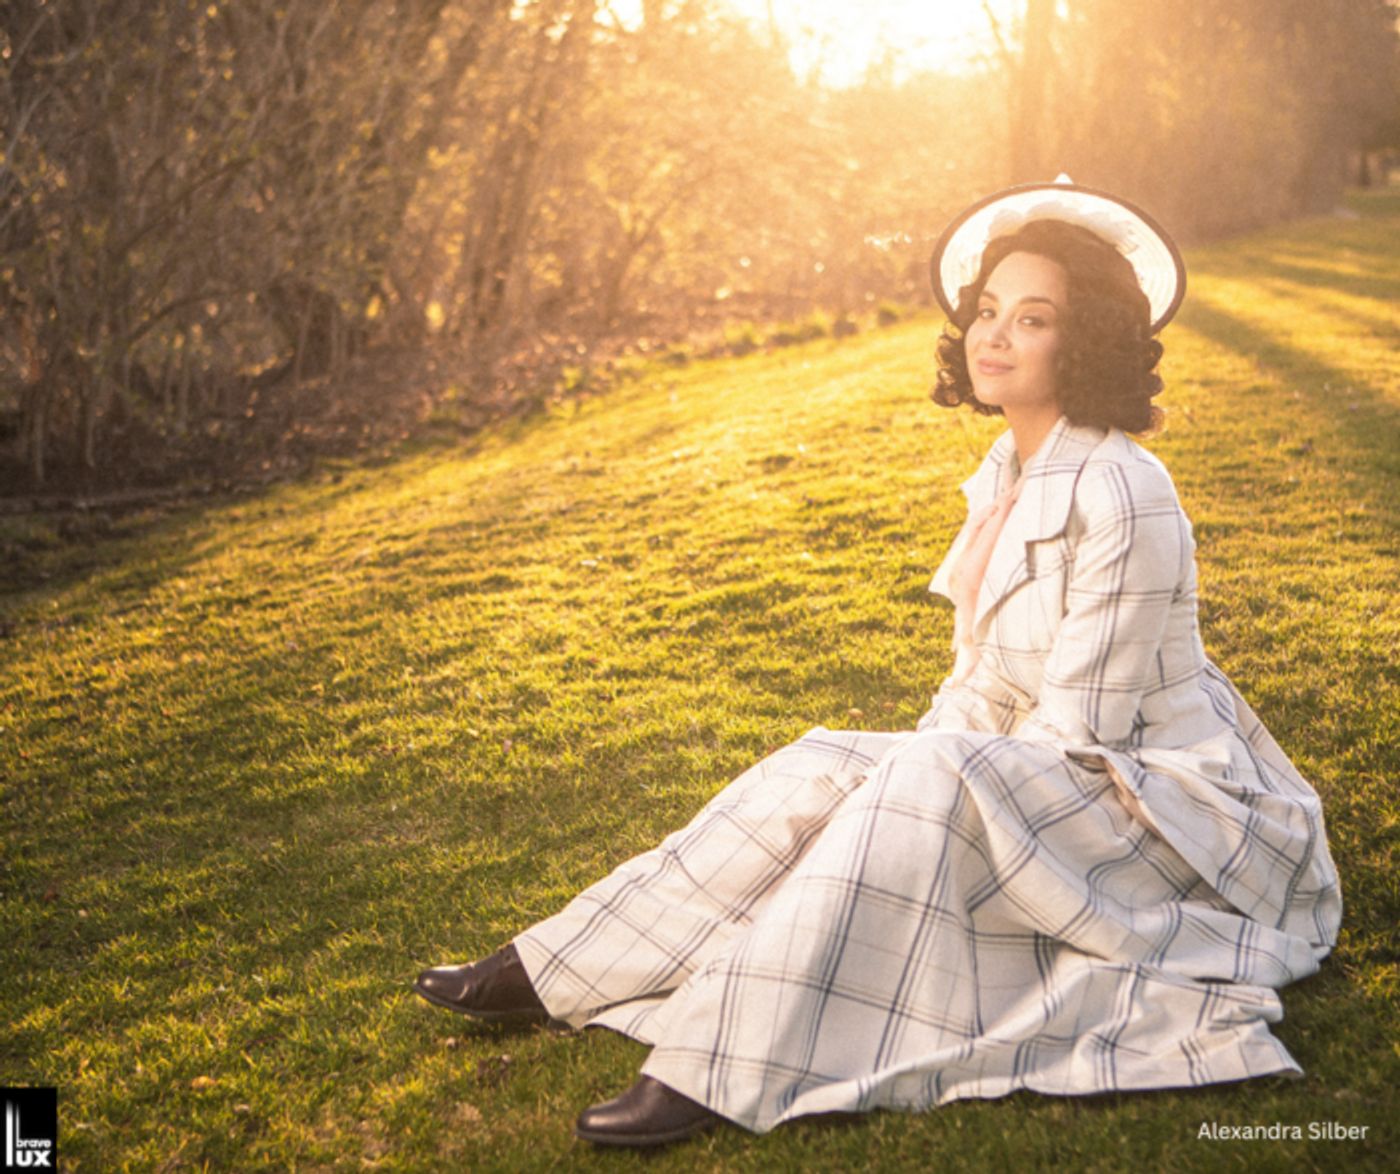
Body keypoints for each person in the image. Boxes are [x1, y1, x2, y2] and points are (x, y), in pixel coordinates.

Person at [413, 179, 1342, 1149]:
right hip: (1045, 767)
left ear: (1088, 340)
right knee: (823, 760)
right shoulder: (1005, 471)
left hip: (1157, 805)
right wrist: (909, 776)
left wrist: (935, 792)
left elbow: (1083, 730)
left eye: (1031, 319)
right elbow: (981, 681)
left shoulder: (1124, 489)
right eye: (987, 311)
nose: (993, 335)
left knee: (922, 777)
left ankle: (714, 1064)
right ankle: (549, 966)